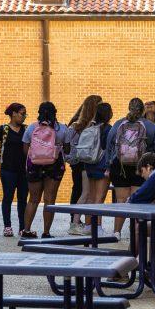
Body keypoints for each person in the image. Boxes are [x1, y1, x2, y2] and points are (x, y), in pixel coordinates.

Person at [108, 98, 155, 239]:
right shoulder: (150, 126)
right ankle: (135, 230)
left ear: (129, 108)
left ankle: (117, 232)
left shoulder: (118, 124)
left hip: (120, 166)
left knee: (121, 201)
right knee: (136, 200)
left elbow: (109, 143)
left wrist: (110, 161)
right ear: (143, 110)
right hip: (141, 166)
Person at [20, 102, 73, 239]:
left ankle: (26, 230)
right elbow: (67, 149)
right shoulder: (61, 129)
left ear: (39, 113)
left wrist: (35, 156)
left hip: (34, 165)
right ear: (55, 113)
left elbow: (25, 148)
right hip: (54, 165)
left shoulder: (32, 128)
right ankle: (46, 232)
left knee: (33, 199)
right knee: (49, 200)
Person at [71, 101, 114, 234]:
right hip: (102, 166)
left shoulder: (90, 127)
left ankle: (89, 226)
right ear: (108, 114)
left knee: (90, 198)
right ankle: (98, 227)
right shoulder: (108, 129)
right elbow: (109, 149)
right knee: (99, 198)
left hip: (89, 165)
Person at [0, 103, 27, 237]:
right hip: (7, 170)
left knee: (23, 199)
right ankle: (7, 226)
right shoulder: (3, 129)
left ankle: (23, 227)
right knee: (8, 198)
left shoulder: (26, 130)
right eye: (22, 113)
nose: (24, 117)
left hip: (24, 170)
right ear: (14, 114)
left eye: (25, 114)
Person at [64, 95, 102, 234]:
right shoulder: (92, 126)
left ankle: (80, 222)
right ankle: (76, 222)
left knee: (81, 191)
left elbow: (66, 147)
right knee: (85, 193)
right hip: (86, 162)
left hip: (77, 162)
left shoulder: (74, 126)